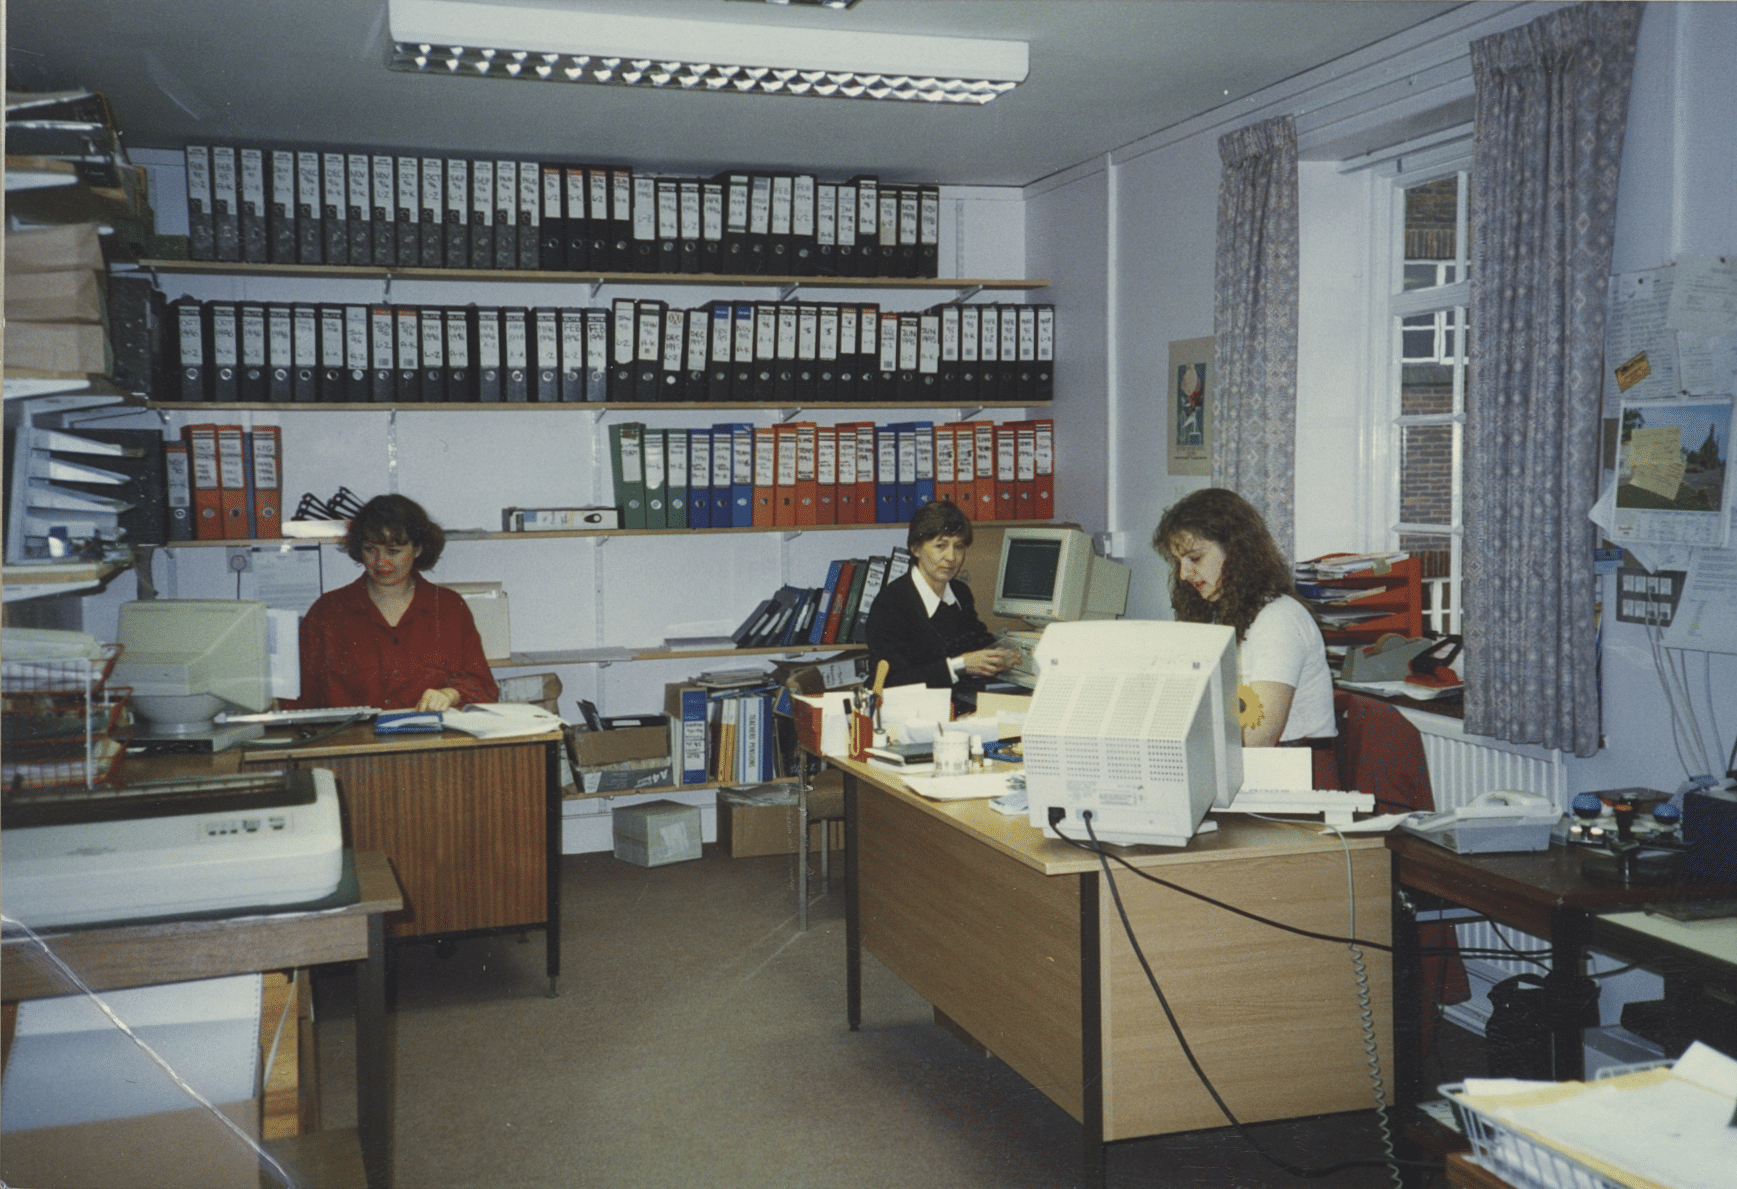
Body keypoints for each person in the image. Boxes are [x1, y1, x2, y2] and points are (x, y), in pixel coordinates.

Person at [1153, 487, 1334, 749]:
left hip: (1291, 765)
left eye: (1195, 558)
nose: (1183, 574)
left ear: (1236, 551)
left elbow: (1258, 737)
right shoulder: (1221, 614)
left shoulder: (1278, 618)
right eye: (1179, 562)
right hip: (1249, 761)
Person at [293, 494, 499, 712]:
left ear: (417, 549)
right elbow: (300, 700)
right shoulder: (327, 612)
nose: (380, 562)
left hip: (430, 732)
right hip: (354, 735)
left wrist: (450, 694)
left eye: (393, 552)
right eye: (370, 549)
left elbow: (484, 687)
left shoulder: (449, 608)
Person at [865, 500, 1018, 710]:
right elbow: (890, 681)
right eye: (941, 546)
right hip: (910, 714)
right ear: (916, 548)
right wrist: (960, 666)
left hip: (957, 707)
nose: (951, 557)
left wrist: (1001, 655)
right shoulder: (891, 603)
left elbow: (976, 640)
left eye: (959, 546)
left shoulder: (960, 592)